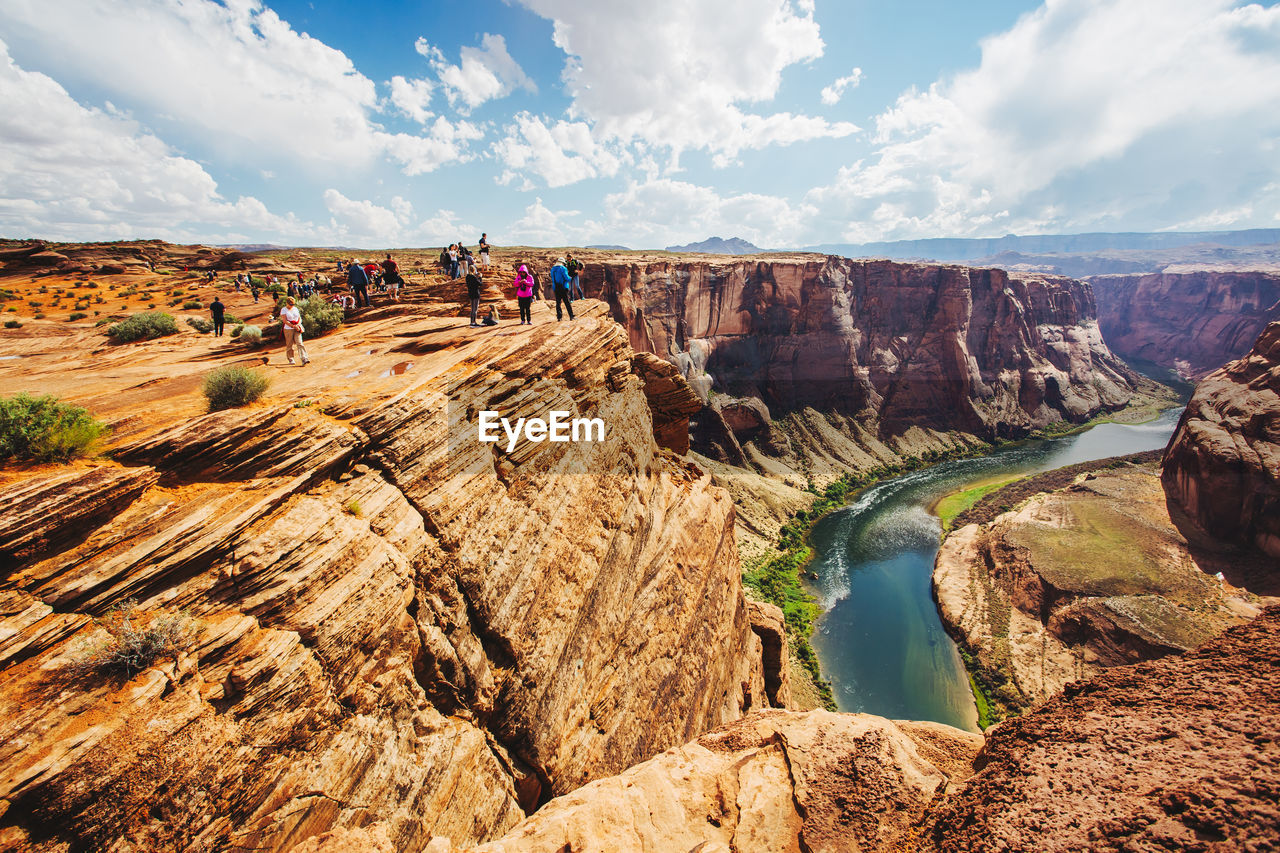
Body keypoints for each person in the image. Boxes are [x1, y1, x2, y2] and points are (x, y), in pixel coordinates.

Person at [279, 296, 310, 365]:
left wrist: (298, 325)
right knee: (289, 344)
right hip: (288, 329)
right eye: (290, 304)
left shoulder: (295, 309)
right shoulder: (284, 310)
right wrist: (293, 326)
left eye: (293, 304)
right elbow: (285, 320)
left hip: (297, 328)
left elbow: (299, 318)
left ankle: (304, 358)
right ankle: (291, 358)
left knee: (299, 343)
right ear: (287, 303)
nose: (292, 306)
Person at [465, 261, 483, 326]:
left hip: (470, 293)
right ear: (473, 270)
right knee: (475, 309)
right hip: (475, 293)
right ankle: (473, 322)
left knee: (472, 308)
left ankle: (471, 321)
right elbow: (480, 284)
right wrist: (480, 277)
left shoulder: (467, 277)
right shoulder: (473, 277)